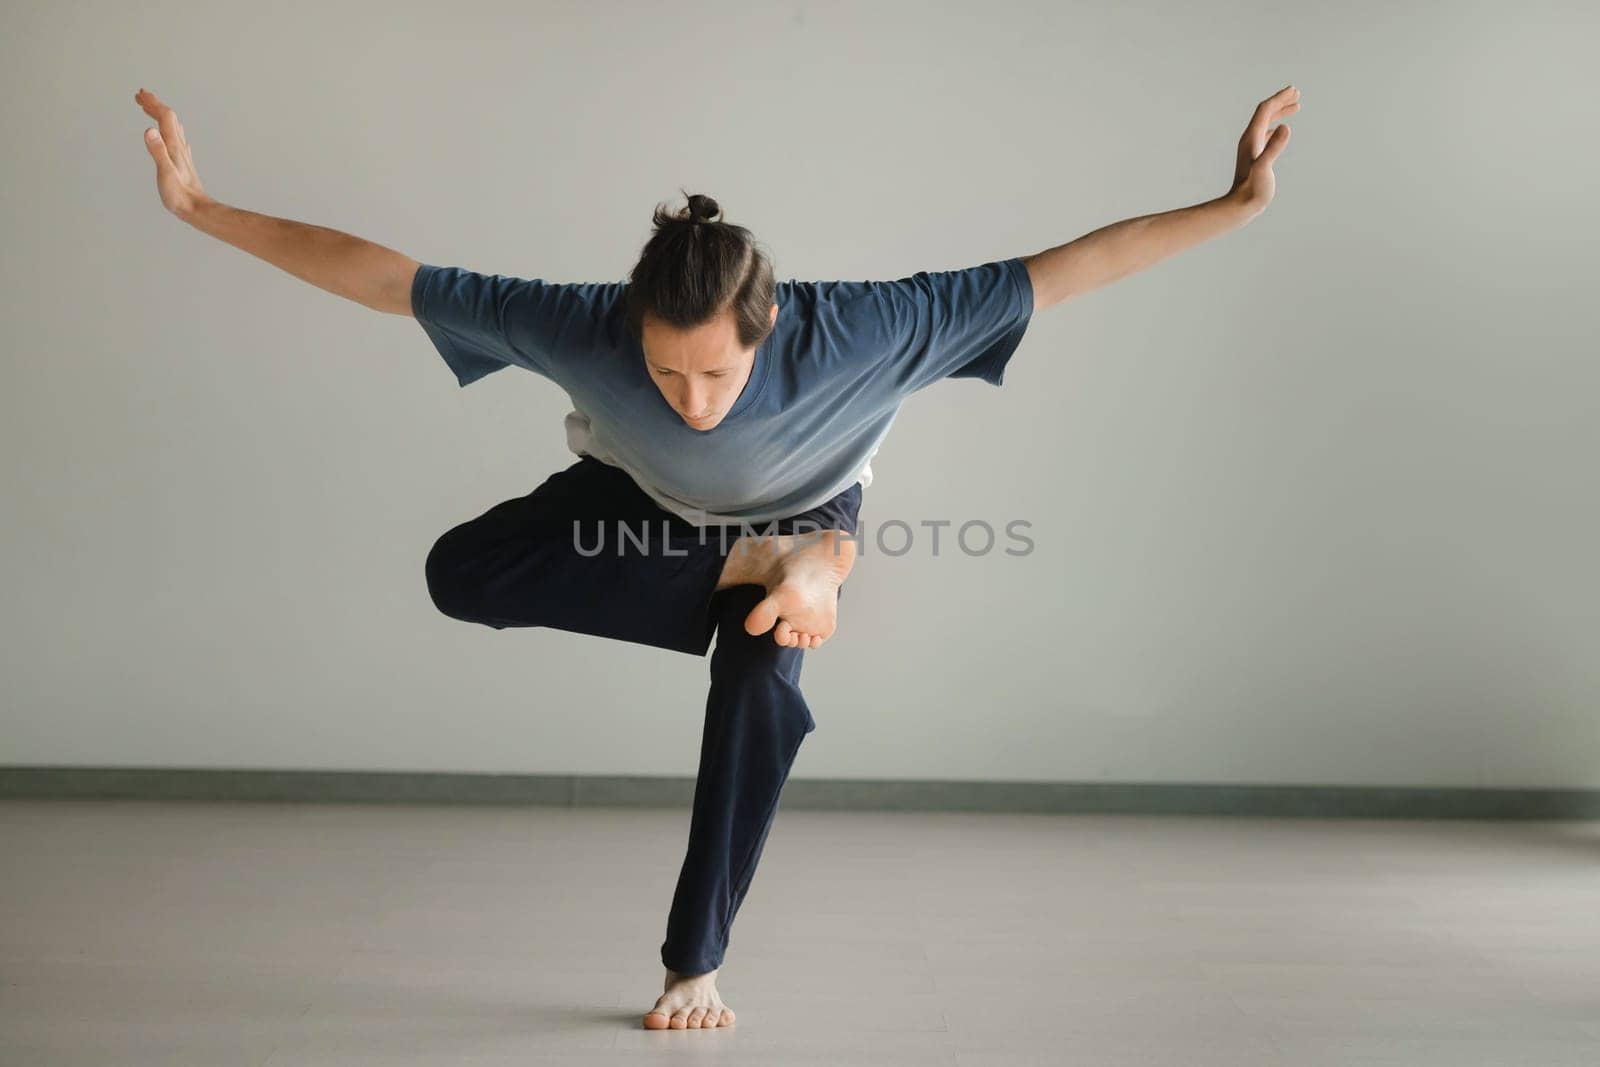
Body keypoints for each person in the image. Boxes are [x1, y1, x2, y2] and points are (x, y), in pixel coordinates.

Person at [133, 83, 1297, 1031]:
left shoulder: (873, 330)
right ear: (629, 322)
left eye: (718, 375)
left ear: (769, 329)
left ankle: (695, 962)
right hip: (645, 510)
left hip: (803, 515)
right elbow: (380, 274)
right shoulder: (575, 322)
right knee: (460, 572)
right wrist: (201, 209)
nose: (692, 398)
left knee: (754, 706)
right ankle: (774, 567)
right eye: (666, 372)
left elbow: (1071, 267)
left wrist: (1234, 205)